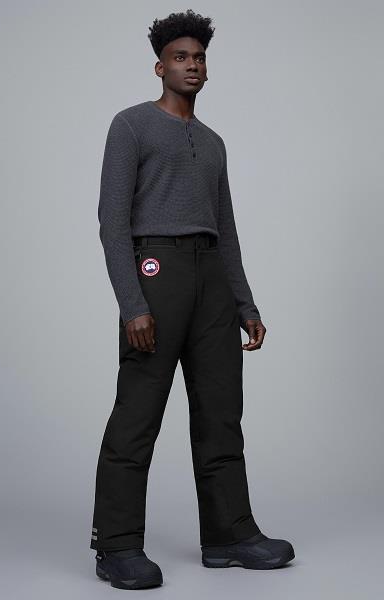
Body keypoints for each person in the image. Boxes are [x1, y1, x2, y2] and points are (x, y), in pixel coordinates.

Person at [90, 9, 295, 590]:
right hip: (156, 270)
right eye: (180, 57)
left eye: (199, 57)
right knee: (137, 415)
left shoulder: (213, 142)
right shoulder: (131, 125)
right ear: (160, 67)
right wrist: (133, 304)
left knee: (221, 413)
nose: (192, 65)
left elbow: (226, 229)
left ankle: (229, 535)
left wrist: (245, 304)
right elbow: (112, 221)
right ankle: (117, 545)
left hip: (211, 280)